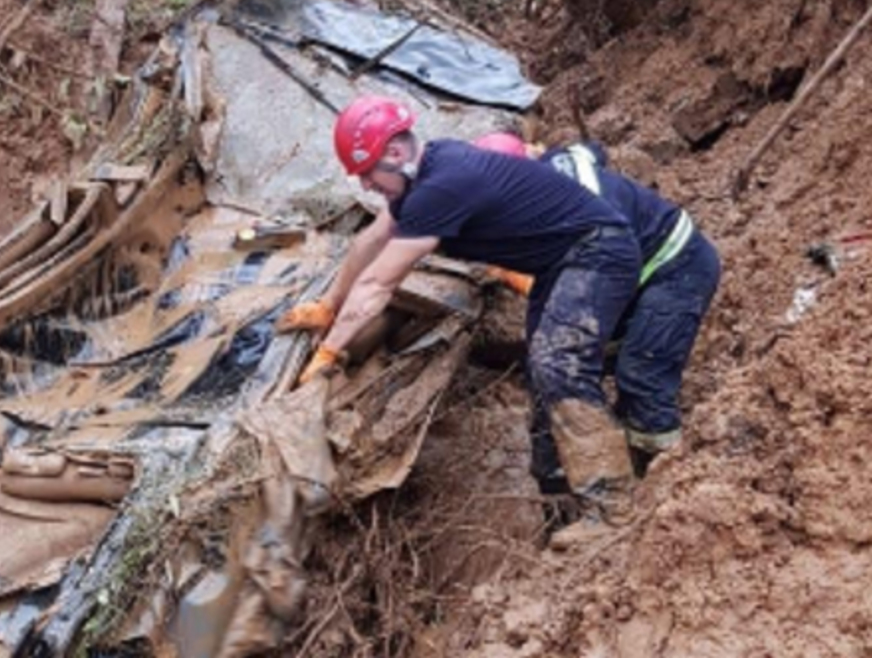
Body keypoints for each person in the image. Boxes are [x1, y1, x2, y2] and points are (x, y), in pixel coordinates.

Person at [276, 95, 642, 547]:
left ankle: (614, 511)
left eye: (368, 173)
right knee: (541, 370)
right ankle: (560, 501)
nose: (367, 186)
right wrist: (330, 304)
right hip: (563, 261)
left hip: (596, 252)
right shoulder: (431, 168)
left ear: (394, 154)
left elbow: (377, 285)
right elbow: (370, 240)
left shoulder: (442, 187)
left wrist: (330, 351)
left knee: (558, 362)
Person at [470, 133, 722, 490]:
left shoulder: (572, 211)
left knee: (641, 373)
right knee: (549, 365)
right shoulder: (549, 178)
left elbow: (603, 271)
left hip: (676, 265)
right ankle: (563, 482)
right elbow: (591, 150)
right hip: (624, 273)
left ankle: (662, 485)